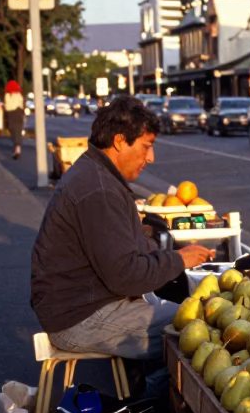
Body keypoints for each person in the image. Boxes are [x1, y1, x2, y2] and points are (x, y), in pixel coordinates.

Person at [31, 95, 213, 392]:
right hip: (80, 317)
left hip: (77, 305)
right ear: (119, 141)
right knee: (198, 327)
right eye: (146, 146)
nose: (150, 158)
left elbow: (122, 250)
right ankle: (154, 411)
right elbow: (126, 276)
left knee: (185, 316)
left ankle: (148, 392)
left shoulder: (95, 173)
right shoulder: (99, 189)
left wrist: (150, 242)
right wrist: (180, 259)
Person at [3, 80, 24, 160]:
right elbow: (21, 105)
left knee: (13, 131)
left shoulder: (7, 96)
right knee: (18, 130)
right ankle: (18, 148)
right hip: (18, 114)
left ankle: (16, 148)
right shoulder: (19, 96)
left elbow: (7, 107)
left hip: (11, 115)